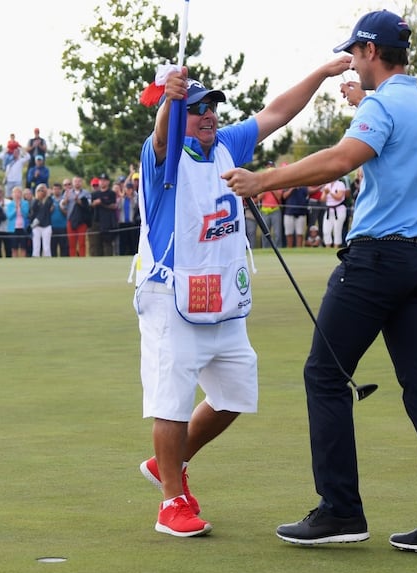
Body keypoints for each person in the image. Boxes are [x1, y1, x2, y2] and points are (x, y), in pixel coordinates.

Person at [223, 11, 417, 553]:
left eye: (356, 53)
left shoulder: (383, 105)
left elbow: (342, 159)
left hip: (377, 261)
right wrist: (367, 105)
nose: (354, 62)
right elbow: (389, 133)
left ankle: (340, 511)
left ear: (367, 50)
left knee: (324, 375)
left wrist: (262, 180)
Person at [133, 48, 355, 537]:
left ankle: (168, 461)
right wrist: (169, 103)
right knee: (170, 401)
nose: (208, 114)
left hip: (224, 297)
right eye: (197, 109)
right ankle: (172, 501)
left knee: (234, 395)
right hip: (172, 294)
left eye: (211, 106)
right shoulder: (161, 155)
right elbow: (159, 134)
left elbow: (277, 112)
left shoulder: (228, 142)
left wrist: (319, 73)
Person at [91, 173, 118, 256]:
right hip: (97, 221)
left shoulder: (111, 193)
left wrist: (102, 202)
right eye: (101, 180)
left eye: (104, 180)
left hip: (108, 222)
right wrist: (94, 203)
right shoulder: (95, 194)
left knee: (107, 244)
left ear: (108, 182)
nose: (102, 182)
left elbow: (113, 206)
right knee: (96, 245)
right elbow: (91, 206)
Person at [64, 176, 91, 257]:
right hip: (71, 220)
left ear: (81, 183)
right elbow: (62, 205)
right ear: (72, 183)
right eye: (75, 181)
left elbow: (89, 204)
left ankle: (82, 258)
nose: (77, 183)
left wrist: (79, 201)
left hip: (82, 220)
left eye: (79, 181)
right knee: (72, 243)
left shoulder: (86, 193)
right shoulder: (67, 193)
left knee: (82, 242)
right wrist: (65, 201)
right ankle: (72, 258)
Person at [320, 178, 348, 248]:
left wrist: (330, 192)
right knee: (326, 230)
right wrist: (326, 193)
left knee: (337, 230)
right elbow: (322, 199)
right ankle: (327, 247)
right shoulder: (327, 185)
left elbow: (339, 197)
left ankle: (336, 247)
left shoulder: (340, 184)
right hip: (329, 210)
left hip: (339, 210)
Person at [29, 183, 54, 257]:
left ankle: (48, 261)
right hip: (36, 226)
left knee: (46, 247)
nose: (41, 192)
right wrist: (37, 197)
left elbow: (46, 207)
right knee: (36, 246)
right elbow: (33, 208)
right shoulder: (34, 201)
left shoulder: (49, 200)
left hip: (46, 225)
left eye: (43, 190)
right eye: (39, 190)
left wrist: (47, 196)